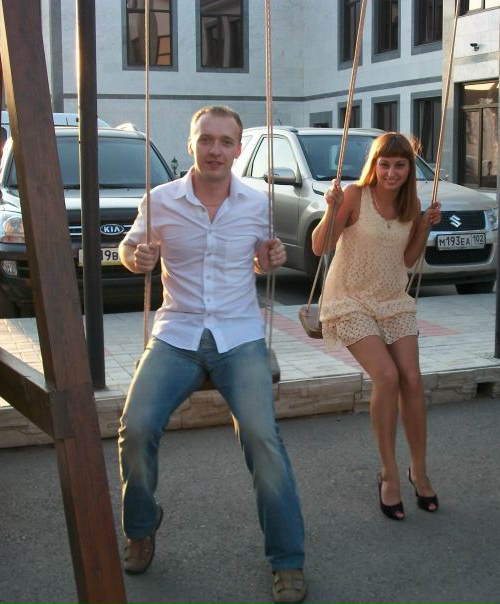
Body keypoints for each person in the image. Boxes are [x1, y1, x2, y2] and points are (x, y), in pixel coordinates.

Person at [117, 105, 307, 603]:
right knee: (136, 427)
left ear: (239, 149)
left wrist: (271, 259)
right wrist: (136, 257)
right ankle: (141, 525)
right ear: (191, 144)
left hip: (239, 334)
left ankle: (287, 559)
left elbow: (262, 260)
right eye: (206, 139)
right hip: (177, 333)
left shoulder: (257, 202)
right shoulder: (161, 200)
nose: (215, 150)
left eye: (225, 141)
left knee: (263, 438)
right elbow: (129, 250)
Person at [311, 132, 441, 521]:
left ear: (409, 169)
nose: (391, 172)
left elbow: (407, 260)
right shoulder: (354, 195)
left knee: (412, 379)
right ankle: (388, 473)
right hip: (348, 298)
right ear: (374, 164)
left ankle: (419, 470)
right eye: (385, 164)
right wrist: (331, 209)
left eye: (400, 165)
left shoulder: (410, 203)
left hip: (392, 298)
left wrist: (424, 226)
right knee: (387, 376)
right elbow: (320, 246)